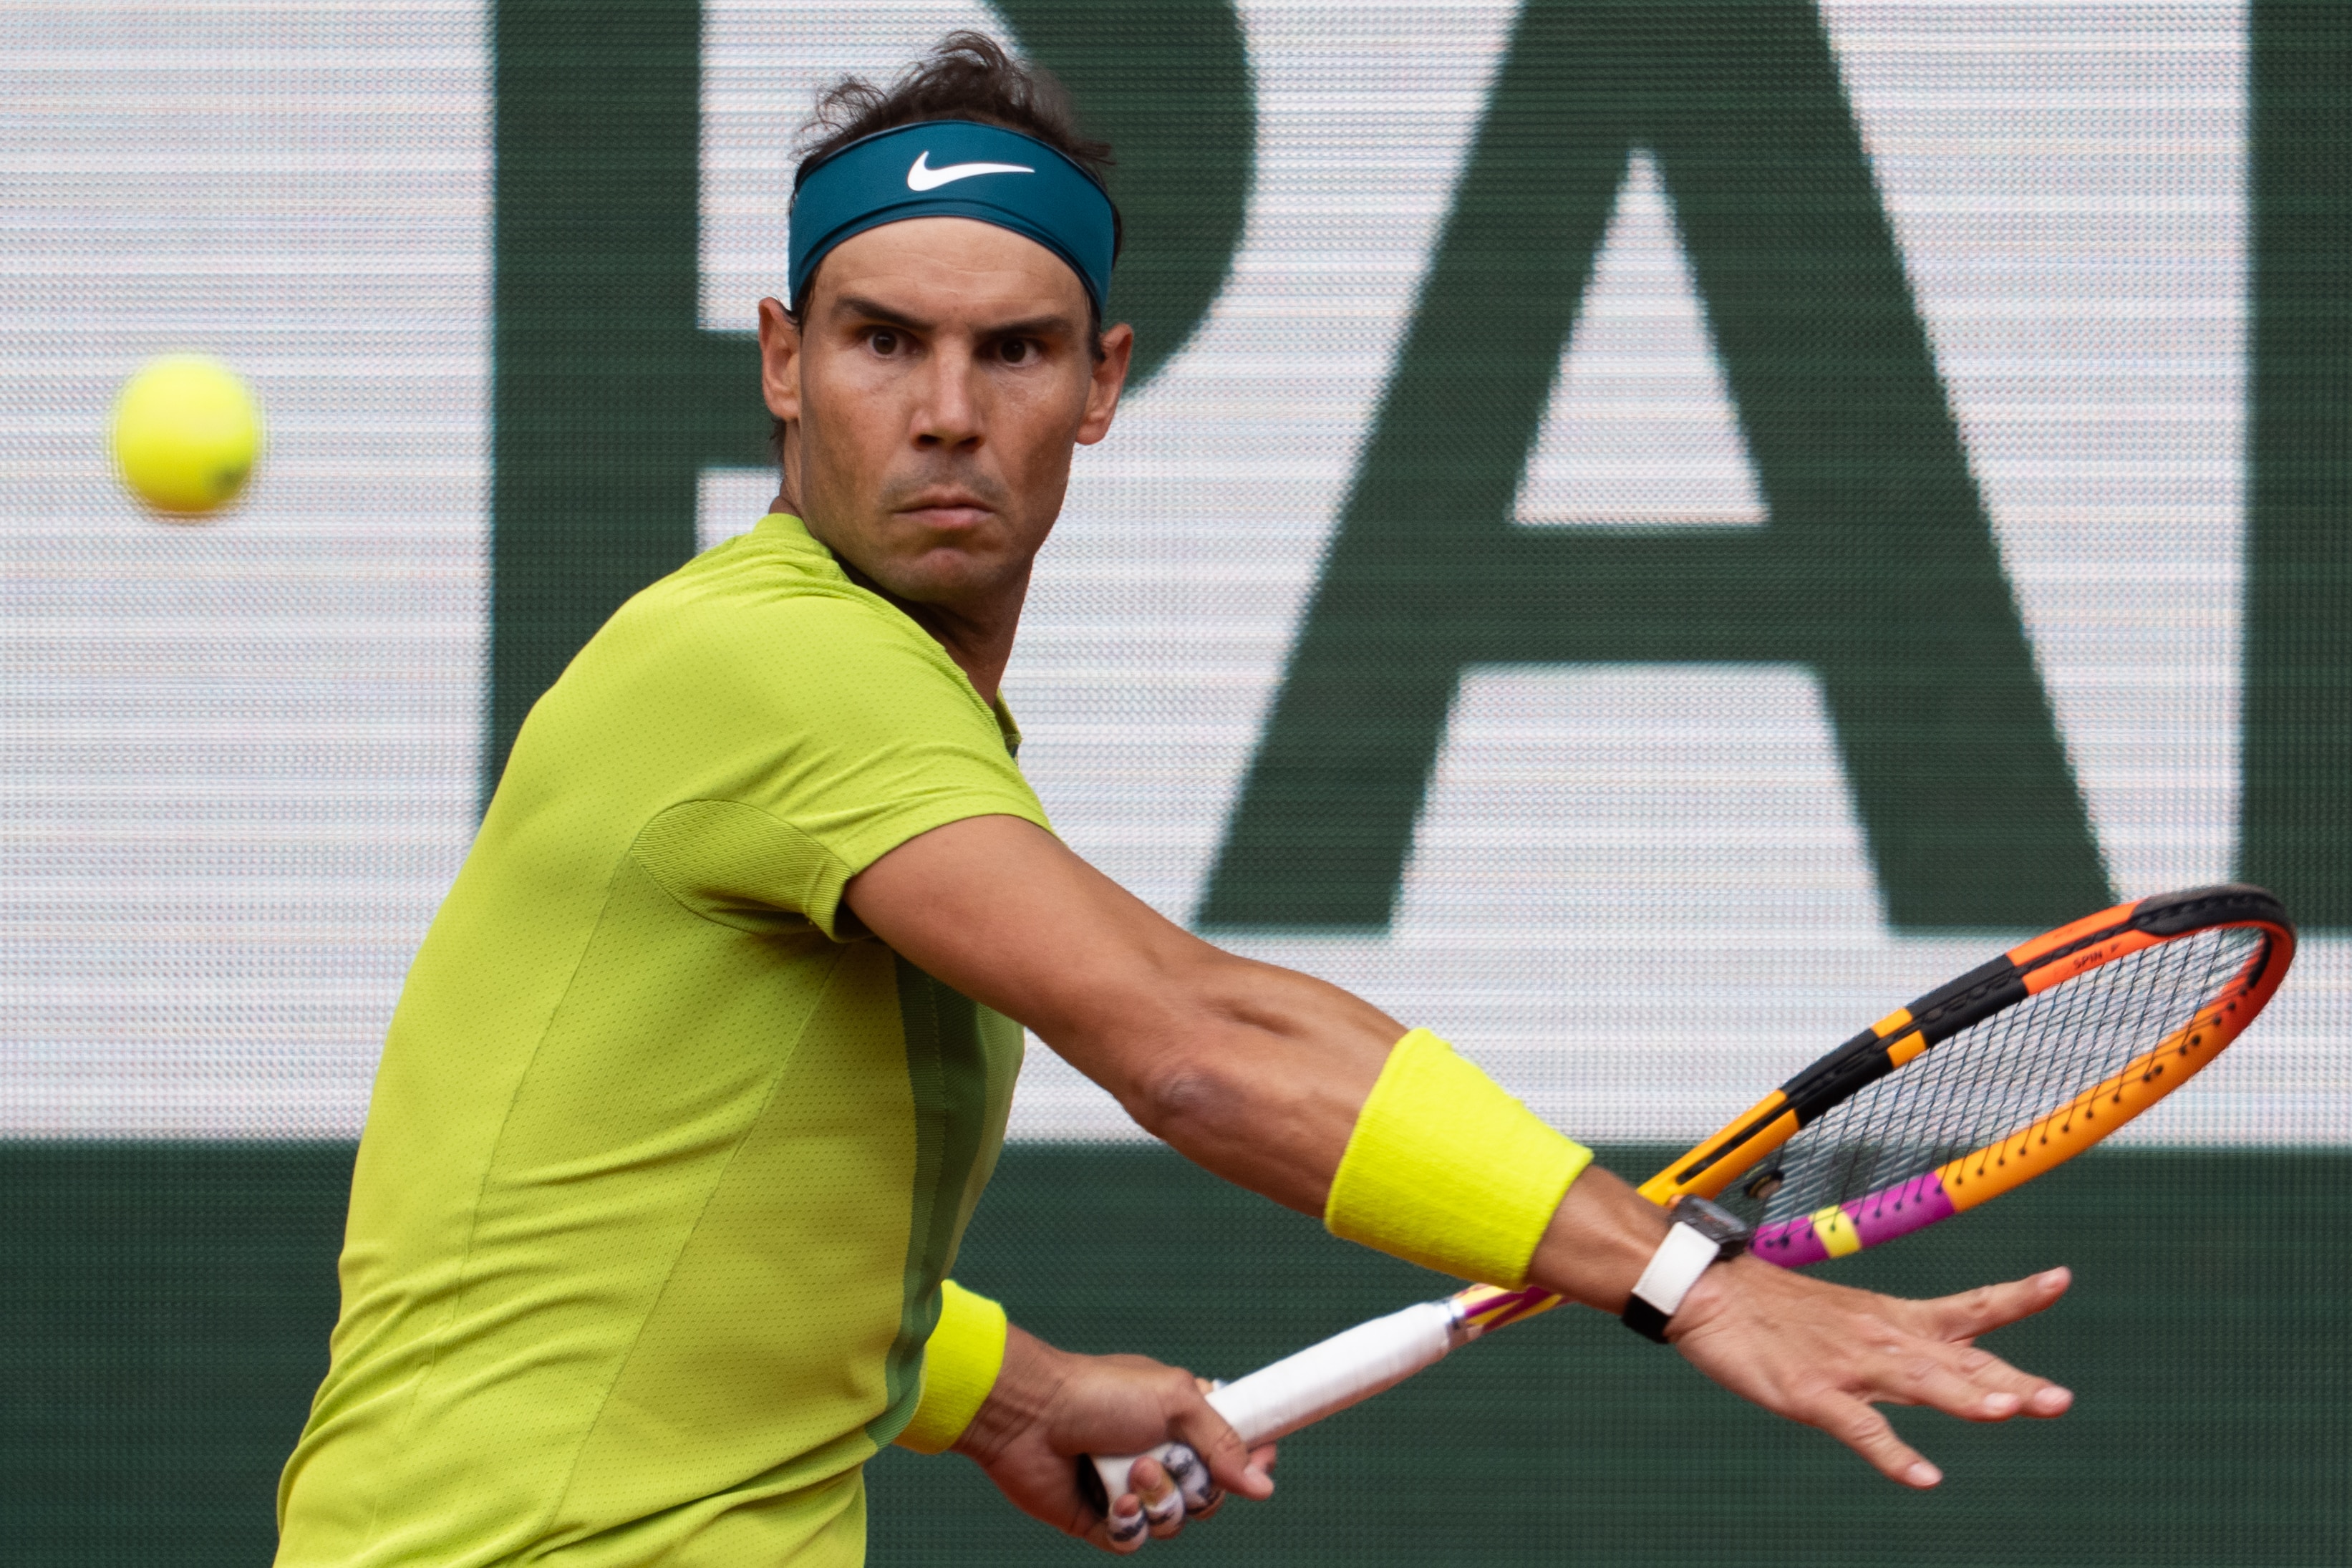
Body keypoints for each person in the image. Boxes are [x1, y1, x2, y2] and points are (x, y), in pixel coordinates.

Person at [274, 33, 2073, 1568]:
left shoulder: (864, 713)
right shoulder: (771, 670)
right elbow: (1196, 1040)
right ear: (779, 363)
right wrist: (1685, 1276)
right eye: (880, 342)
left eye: (1015, 352)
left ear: (1102, 383)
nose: (946, 412)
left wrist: (1018, 1393)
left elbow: (646, 1216)